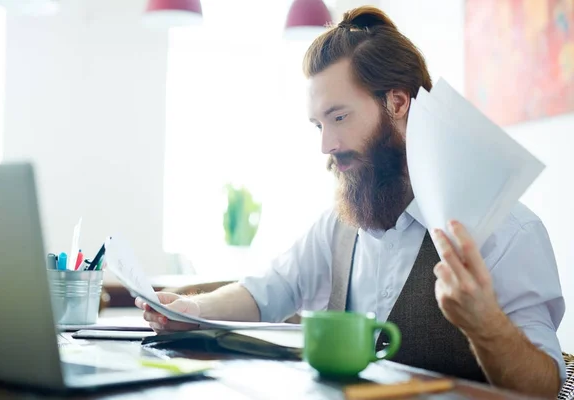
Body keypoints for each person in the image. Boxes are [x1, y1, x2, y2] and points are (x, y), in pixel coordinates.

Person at [136, 6, 565, 397]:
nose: (326, 144)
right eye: (318, 124)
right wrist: (190, 310)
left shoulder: (507, 232)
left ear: (397, 102)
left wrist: (482, 324)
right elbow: (268, 291)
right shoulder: (340, 225)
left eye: (339, 117)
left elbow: (547, 387)